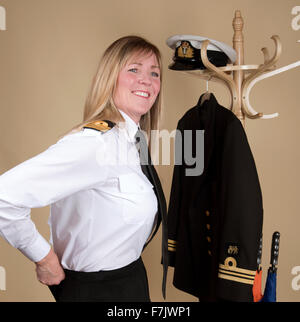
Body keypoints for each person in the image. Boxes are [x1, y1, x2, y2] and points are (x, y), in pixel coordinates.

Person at [0, 35, 167, 302]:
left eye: (154, 73)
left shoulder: (132, 141)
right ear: (110, 77)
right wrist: (44, 258)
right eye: (133, 69)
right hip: (99, 291)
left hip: (131, 279)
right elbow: (4, 196)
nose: (146, 80)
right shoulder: (95, 145)